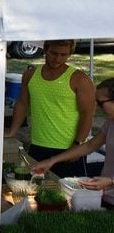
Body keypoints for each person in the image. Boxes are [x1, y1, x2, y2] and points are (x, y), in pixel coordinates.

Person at [6, 40, 95, 178]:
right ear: (45, 50)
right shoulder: (30, 75)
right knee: (35, 189)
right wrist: (12, 131)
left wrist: (78, 143)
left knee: (67, 194)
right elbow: (22, 103)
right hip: (38, 145)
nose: (58, 58)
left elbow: (87, 114)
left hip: (68, 148)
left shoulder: (79, 79)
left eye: (63, 55)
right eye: (54, 53)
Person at [33, 78, 114, 206]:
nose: (97, 107)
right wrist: (51, 161)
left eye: (101, 102)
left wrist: (111, 181)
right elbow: (90, 145)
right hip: (105, 195)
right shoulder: (110, 122)